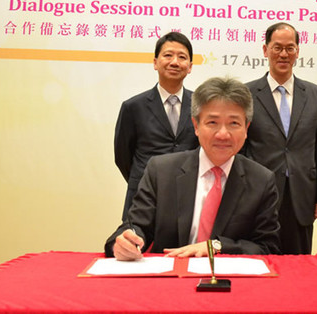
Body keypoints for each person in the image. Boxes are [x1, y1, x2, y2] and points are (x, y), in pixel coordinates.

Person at [105, 76, 281, 260]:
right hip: (170, 277)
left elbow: (268, 247)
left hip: (229, 281)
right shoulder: (161, 170)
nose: (223, 134)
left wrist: (216, 246)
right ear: (196, 125)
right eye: (212, 122)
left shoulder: (262, 180)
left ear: (246, 128)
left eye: (234, 123)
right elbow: (136, 225)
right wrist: (125, 241)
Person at [243, 22, 317, 255]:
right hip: (259, 191)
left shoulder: (316, 94)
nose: (284, 54)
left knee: (300, 265)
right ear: (265, 50)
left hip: (302, 193)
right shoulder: (246, 94)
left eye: (290, 48)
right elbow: (241, 147)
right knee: (261, 258)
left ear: (297, 52)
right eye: (277, 47)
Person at [114, 32, 199, 219]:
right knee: (137, 248)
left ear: (190, 67)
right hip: (143, 198)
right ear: (155, 62)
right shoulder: (133, 107)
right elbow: (123, 157)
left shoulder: (201, 106)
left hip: (188, 198)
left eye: (182, 57)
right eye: (168, 55)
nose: (175, 62)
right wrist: (146, 178)